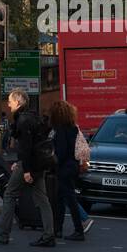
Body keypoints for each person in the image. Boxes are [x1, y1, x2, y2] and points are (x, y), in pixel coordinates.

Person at [0, 88, 56, 246]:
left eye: (10, 102)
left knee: (10, 194)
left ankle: (3, 233)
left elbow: (26, 147)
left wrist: (26, 170)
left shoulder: (23, 121)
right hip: (39, 164)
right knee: (42, 198)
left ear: (18, 102)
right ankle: (49, 235)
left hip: (29, 165)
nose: (8, 105)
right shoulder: (34, 117)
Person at [48, 100, 91, 240]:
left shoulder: (60, 129)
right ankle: (58, 229)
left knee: (69, 198)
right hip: (73, 165)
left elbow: (61, 151)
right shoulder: (73, 127)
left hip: (64, 167)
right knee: (61, 198)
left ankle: (78, 230)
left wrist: (52, 161)